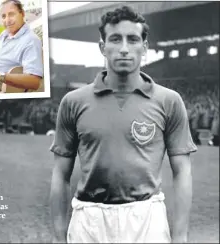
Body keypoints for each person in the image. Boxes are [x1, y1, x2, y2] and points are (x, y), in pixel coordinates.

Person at [50, 6, 197, 243]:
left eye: (133, 39)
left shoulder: (169, 101)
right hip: (89, 219)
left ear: (145, 47)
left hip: (147, 218)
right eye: (116, 39)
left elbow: (182, 170)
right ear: (102, 47)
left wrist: (180, 236)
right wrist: (58, 236)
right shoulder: (73, 102)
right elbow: (60, 173)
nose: (125, 49)